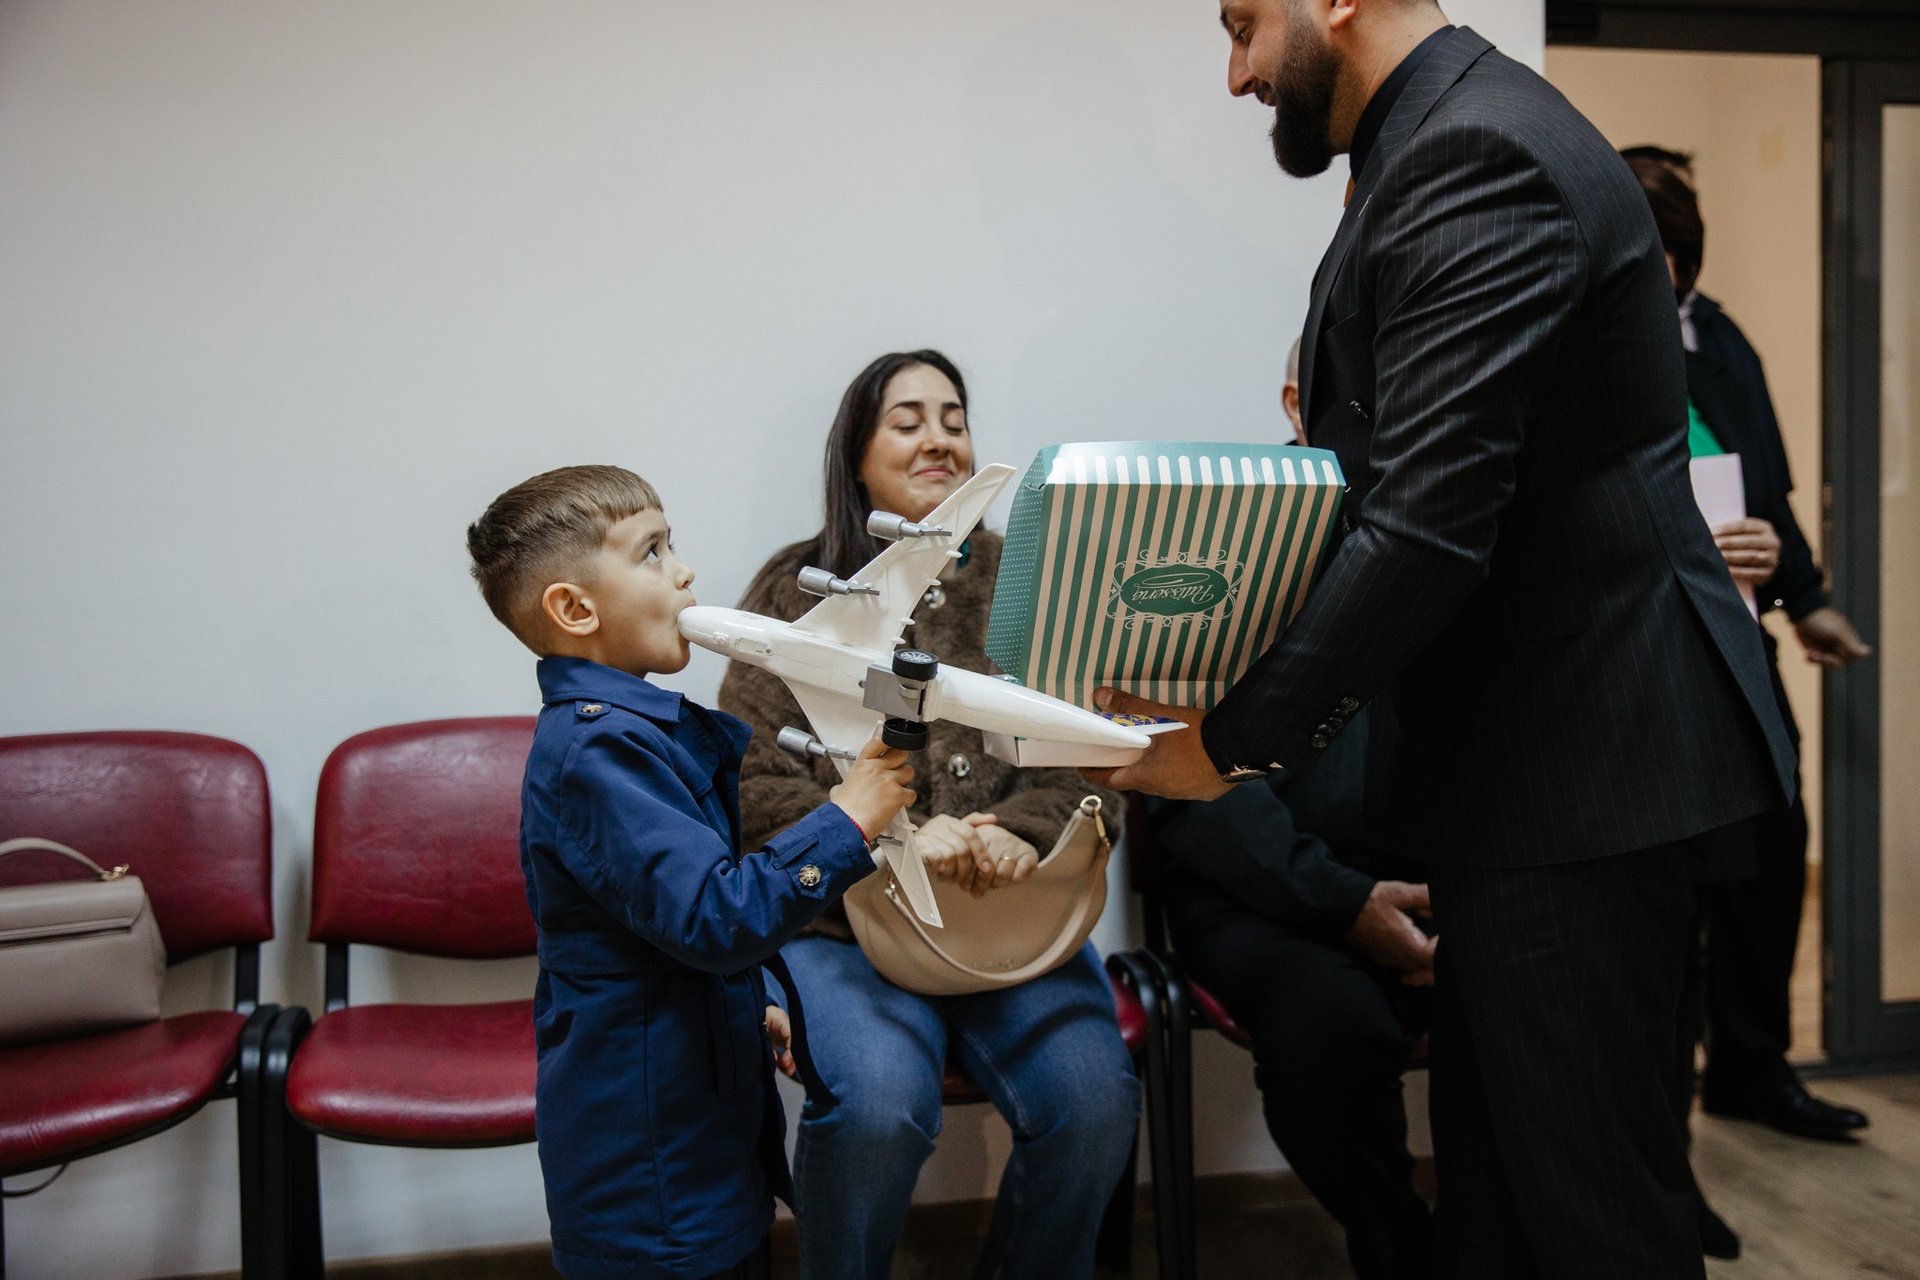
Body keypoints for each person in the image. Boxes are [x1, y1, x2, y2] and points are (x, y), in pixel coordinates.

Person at [1093, 4, 1796, 1277]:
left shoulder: (1478, 151)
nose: (1238, 73)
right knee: (1498, 1195)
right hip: (1534, 770)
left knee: (1590, 1213)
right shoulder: (1438, 140)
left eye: (1244, 24)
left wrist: (1224, 744)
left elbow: (1425, 528)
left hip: (1584, 767)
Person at [719, 350, 1139, 1280]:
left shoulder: (1031, 579)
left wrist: (1022, 832)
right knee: (876, 1110)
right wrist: (878, 833)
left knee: (1093, 1104)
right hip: (844, 930)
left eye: (954, 418)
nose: (939, 439)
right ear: (856, 456)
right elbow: (748, 784)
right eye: (907, 422)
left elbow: (1090, 745)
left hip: (1010, 916)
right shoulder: (795, 589)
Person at [465, 465, 917, 1280]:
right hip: (649, 1166)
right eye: (651, 552)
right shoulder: (598, 752)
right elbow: (715, 915)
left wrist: (757, 998)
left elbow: (668, 917)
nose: (684, 572)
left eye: (671, 546)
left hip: (696, 1126)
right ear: (575, 609)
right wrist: (847, 820)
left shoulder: (631, 735)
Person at [1623, 146, 1876, 1252]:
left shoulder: (1720, 339)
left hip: (1739, 649)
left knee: (1772, 858)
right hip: (1642, 673)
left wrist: (1801, 591)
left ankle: (1753, 1068)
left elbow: (1764, 489)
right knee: (1673, 918)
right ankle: (1666, 1167)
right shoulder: (1588, 342)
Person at [1148, 700, 1435, 1279]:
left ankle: (1488, 1244)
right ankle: (1405, 1251)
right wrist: (1346, 901)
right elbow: (1188, 776)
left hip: (1417, 884)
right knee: (1328, 1025)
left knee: (1519, 995)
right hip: (1246, 890)